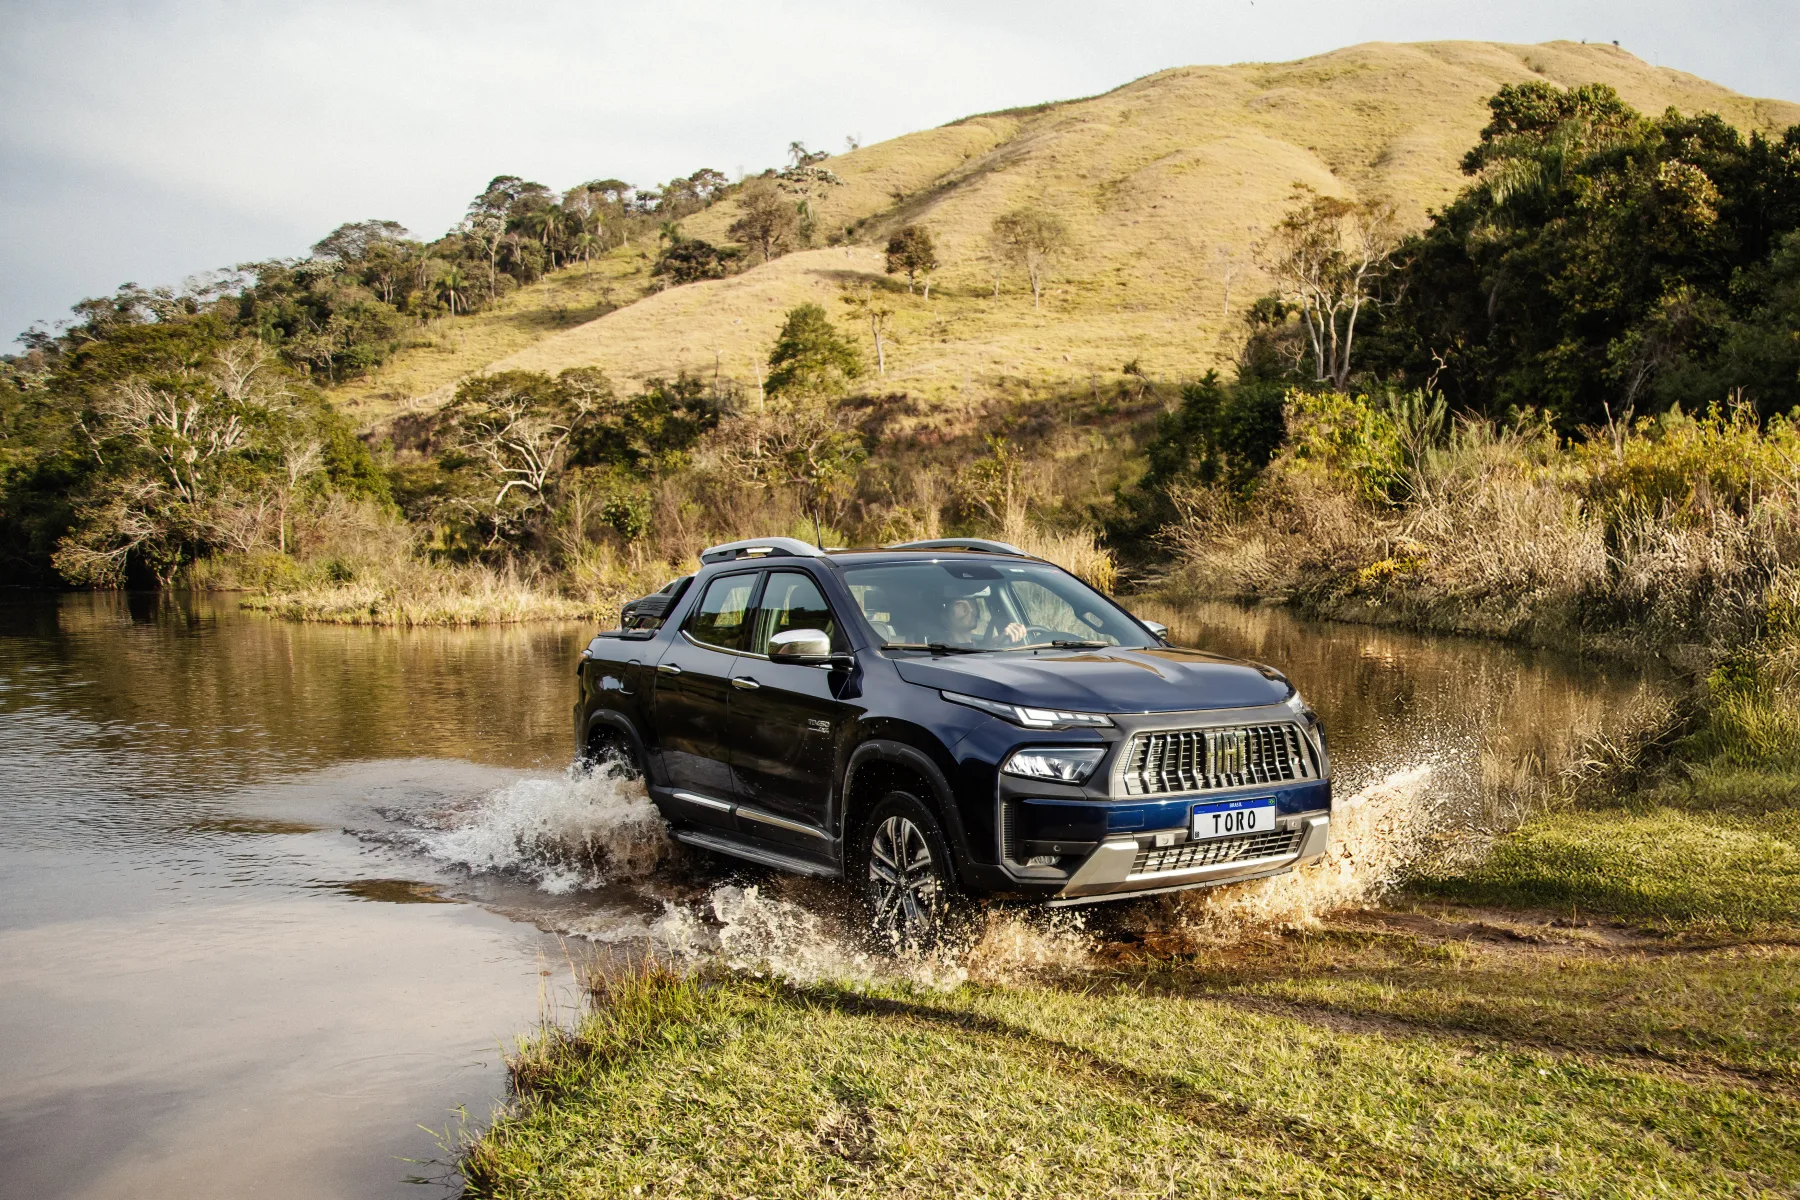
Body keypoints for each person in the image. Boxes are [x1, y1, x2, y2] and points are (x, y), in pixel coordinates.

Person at [944, 593, 1027, 647]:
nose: (971, 610)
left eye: (973, 604)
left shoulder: (977, 645)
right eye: (962, 606)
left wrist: (1000, 639)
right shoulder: (940, 649)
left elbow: (983, 646)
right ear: (945, 615)